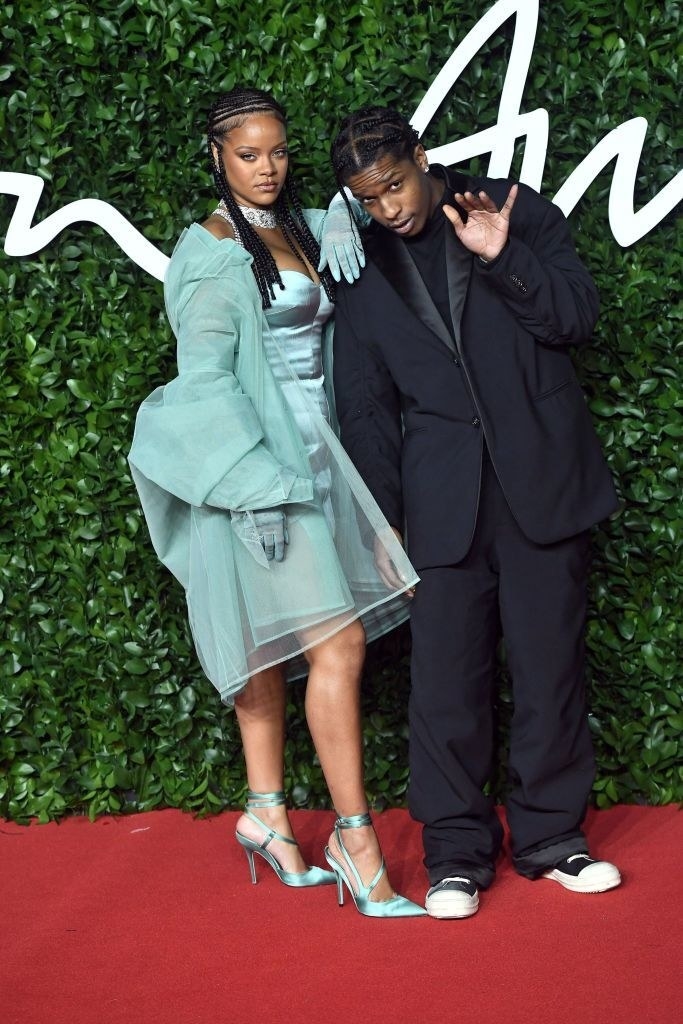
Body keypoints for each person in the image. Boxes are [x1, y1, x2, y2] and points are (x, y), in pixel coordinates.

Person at [128, 88, 425, 918]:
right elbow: (204, 381)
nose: (266, 168)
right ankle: (355, 841)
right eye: (248, 154)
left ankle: (265, 812)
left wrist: (338, 207)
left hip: (326, 455)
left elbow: (393, 201)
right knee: (338, 645)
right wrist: (252, 485)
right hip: (265, 470)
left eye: (280, 152)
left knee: (271, 643)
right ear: (216, 157)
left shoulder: (291, 229)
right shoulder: (214, 252)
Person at [330, 105, 622, 919]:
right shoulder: (357, 263)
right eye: (368, 196)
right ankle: (455, 855)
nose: (388, 207)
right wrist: (383, 530)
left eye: (393, 184)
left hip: (540, 485)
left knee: (547, 669)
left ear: (421, 157)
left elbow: (575, 317)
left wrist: (502, 257)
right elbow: (363, 405)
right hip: (438, 501)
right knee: (444, 687)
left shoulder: (516, 211)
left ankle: (552, 839)